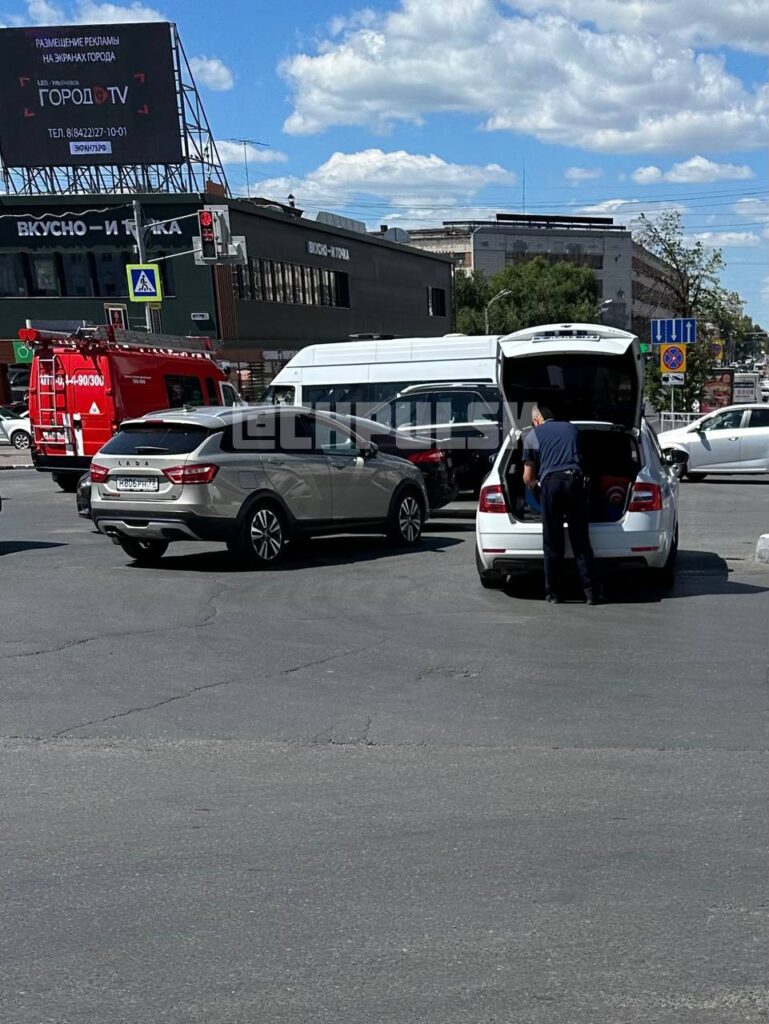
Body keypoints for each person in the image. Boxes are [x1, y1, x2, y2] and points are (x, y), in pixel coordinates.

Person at [522, 403, 601, 605]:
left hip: (551, 485)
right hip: (574, 483)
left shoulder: (533, 435)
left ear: (536, 420)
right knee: (580, 541)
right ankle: (591, 593)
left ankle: (554, 594)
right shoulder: (571, 428)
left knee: (552, 541)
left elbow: (527, 476)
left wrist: (535, 489)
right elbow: (582, 460)